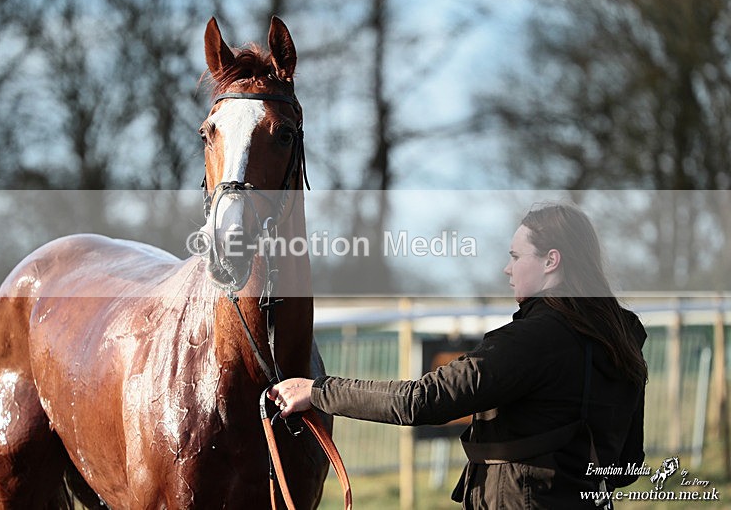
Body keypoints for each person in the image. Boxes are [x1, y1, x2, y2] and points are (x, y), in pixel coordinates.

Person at [269, 202, 647, 509]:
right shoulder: (620, 339)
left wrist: (317, 391)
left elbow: (420, 401)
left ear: (551, 261)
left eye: (516, 256)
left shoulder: (531, 341)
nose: (507, 268)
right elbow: (627, 462)